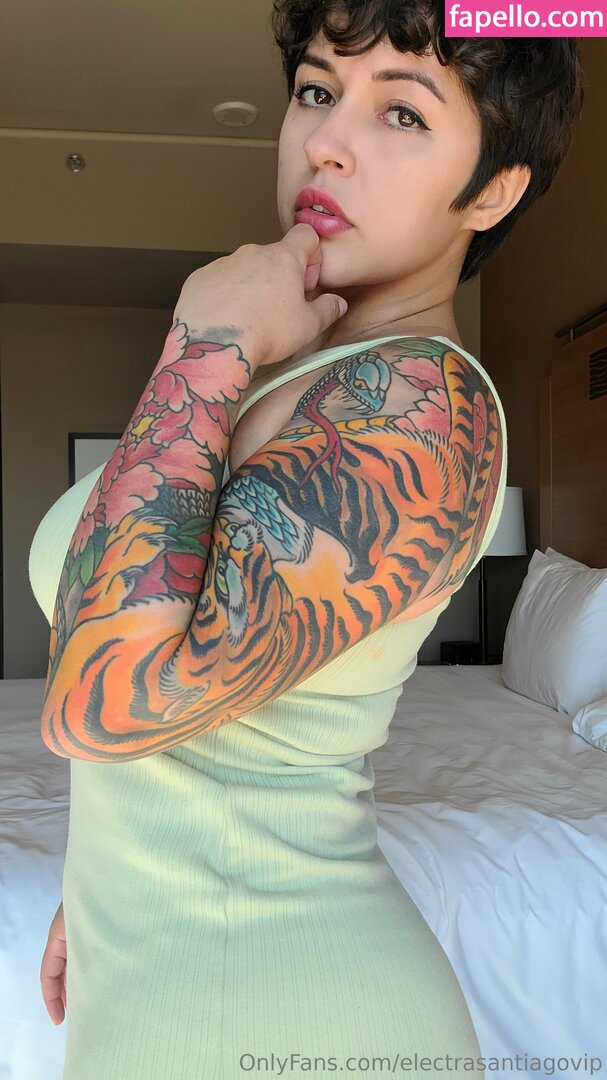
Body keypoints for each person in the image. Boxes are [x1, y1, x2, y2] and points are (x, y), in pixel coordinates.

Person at [34, 1, 584, 1077]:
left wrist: (203, 340)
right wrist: (100, 876)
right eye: (318, 91)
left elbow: (106, 702)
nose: (326, 140)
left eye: (402, 113)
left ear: (492, 190)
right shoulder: (294, 367)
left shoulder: (420, 410)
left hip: (281, 1010)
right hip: (178, 974)